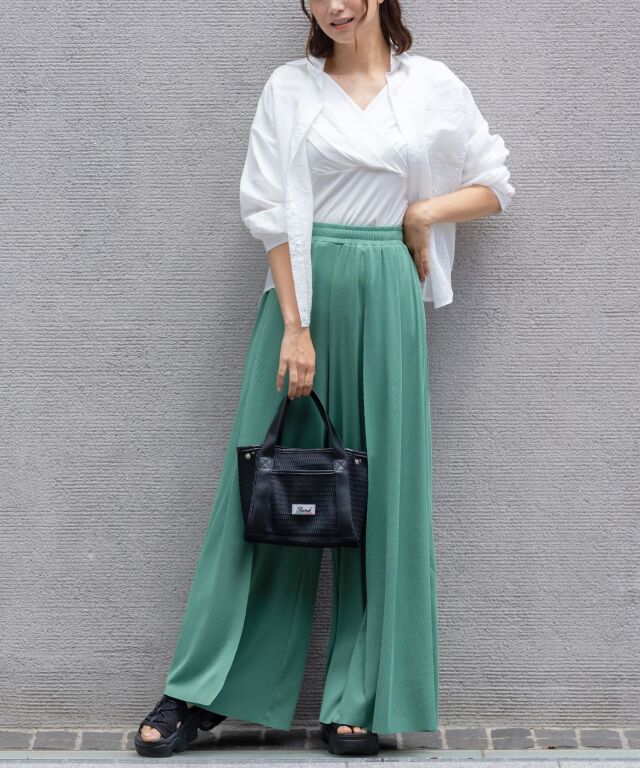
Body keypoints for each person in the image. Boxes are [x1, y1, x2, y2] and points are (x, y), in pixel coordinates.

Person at [134, 0, 514, 758]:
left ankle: (362, 698)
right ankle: (203, 691)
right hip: (302, 296)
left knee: (383, 495)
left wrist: (422, 214)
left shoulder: (431, 86)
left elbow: (496, 182)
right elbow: (270, 207)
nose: (335, 5)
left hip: (389, 295)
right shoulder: (290, 87)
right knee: (265, 484)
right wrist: (296, 326)